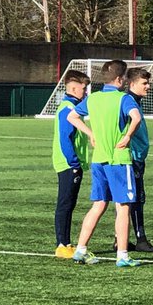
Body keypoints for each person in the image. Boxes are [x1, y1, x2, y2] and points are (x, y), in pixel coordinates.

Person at [72, 60, 143, 267]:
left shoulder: (93, 99)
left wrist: (90, 133)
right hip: (118, 159)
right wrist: (128, 136)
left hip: (99, 160)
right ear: (121, 80)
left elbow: (72, 116)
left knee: (98, 205)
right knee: (123, 208)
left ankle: (80, 249)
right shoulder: (124, 99)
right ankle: (122, 255)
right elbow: (136, 117)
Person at [51, 69, 92, 258]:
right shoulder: (68, 108)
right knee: (65, 203)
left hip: (71, 163)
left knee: (69, 203)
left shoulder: (71, 106)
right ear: (74, 88)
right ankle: (62, 244)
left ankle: (66, 242)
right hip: (68, 164)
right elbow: (65, 138)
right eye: (83, 89)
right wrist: (73, 161)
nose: (85, 92)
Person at [123, 67, 153, 252]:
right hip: (132, 157)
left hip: (137, 156)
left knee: (129, 198)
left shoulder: (135, 101)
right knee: (136, 198)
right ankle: (140, 239)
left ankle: (119, 239)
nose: (148, 86)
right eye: (144, 83)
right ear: (132, 84)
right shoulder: (128, 101)